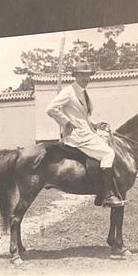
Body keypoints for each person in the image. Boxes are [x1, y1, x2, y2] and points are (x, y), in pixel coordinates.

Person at [46, 61, 122, 207]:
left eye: (88, 75)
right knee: (108, 154)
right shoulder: (69, 91)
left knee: (108, 140)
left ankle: (99, 192)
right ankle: (107, 194)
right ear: (75, 75)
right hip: (78, 136)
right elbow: (51, 109)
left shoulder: (83, 92)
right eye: (82, 75)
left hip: (87, 131)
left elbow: (84, 116)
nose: (86, 78)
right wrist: (66, 123)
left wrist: (94, 124)